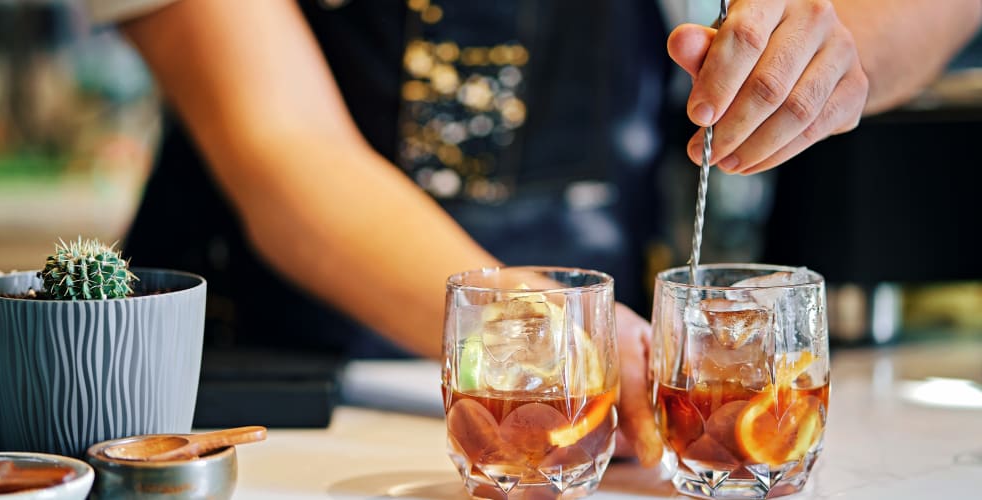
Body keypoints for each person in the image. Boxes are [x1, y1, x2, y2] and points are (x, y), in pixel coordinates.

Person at [87, 0, 980, 467]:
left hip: (602, 398)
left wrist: (830, 51)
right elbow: (283, 150)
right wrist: (542, 331)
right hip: (272, 392)